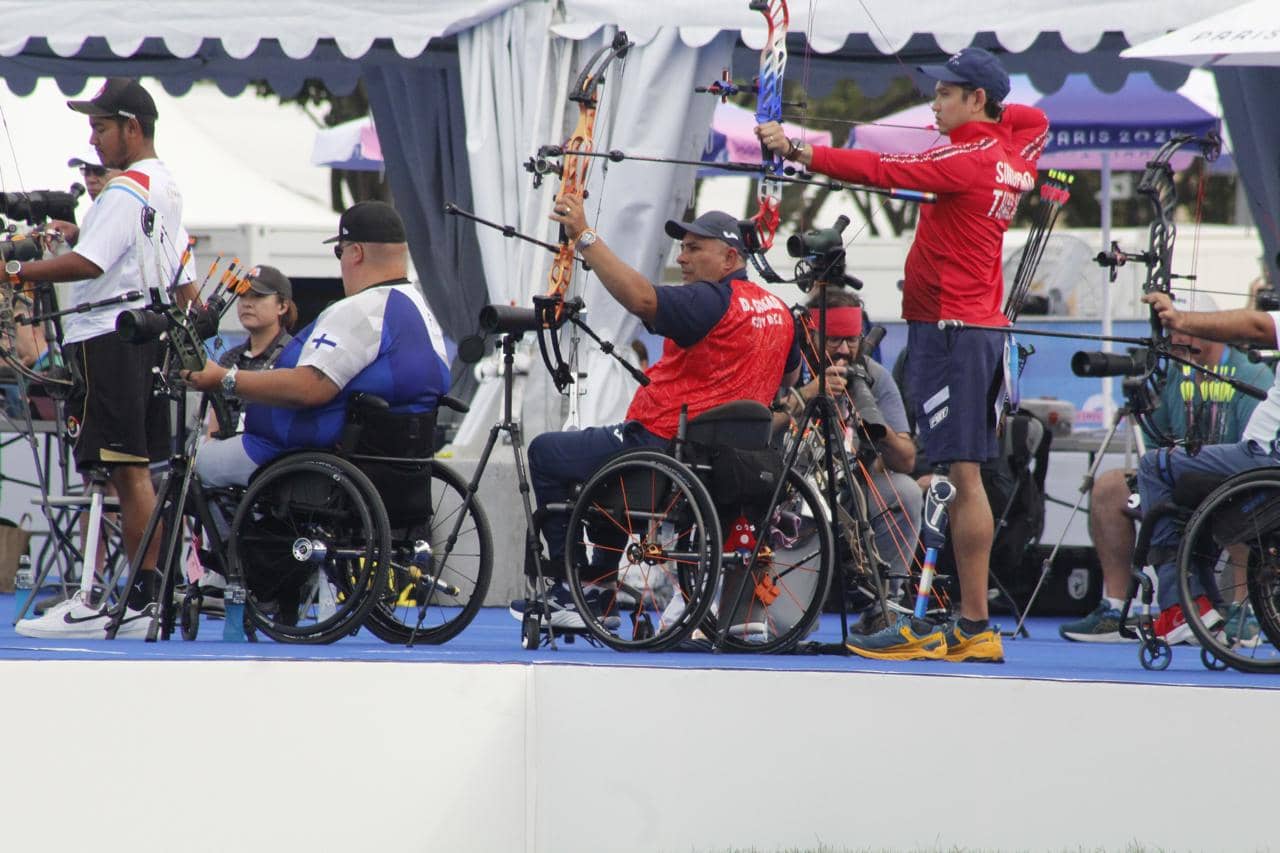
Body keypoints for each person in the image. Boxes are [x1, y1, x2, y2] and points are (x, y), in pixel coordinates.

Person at [758, 47, 1048, 662]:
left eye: (948, 93)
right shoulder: (1012, 151)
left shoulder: (969, 159)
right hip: (970, 331)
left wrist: (799, 150)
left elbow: (878, 169)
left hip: (953, 333)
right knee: (957, 474)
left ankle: (972, 626)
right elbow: (1031, 120)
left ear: (976, 101)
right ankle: (964, 623)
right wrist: (990, 107)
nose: (935, 102)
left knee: (960, 476)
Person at [510, 200, 801, 629]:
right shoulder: (780, 311)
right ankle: (599, 581)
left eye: (693, 247)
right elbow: (790, 377)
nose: (681, 257)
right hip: (729, 462)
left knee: (547, 452)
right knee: (598, 463)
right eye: (682, 247)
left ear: (730, 258)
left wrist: (586, 238)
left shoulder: (709, 299)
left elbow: (643, 300)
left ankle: (570, 591)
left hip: (661, 445)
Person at [11, 78, 196, 639]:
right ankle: (142, 597)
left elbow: (90, 264)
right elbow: (177, 267)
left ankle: (126, 602)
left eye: (100, 127)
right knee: (134, 469)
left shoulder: (125, 189)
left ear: (131, 128)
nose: (93, 141)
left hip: (109, 338)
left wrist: (15, 270)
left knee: (125, 469)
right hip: (146, 336)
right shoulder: (164, 186)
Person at [185, 201, 449, 488]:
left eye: (340, 251)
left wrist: (224, 378)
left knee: (192, 462)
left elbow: (309, 389)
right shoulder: (420, 307)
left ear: (356, 252)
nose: (341, 261)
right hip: (395, 459)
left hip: (290, 455)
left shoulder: (361, 309)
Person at [1060, 293, 1271, 642]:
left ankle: (1240, 611)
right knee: (1111, 487)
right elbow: (1154, 447)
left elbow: (1254, 455)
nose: (1177, 339)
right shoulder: (1172, 372)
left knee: (1243, 497)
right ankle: (1115, 606)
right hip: (1182, 479)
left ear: (1210, 328)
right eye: (1172, 331)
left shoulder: (1251, 375)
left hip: (1234, 483)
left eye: (1185, 329)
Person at [1133, 291, 1280, 644]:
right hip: (1260, 461)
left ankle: (1178, 606)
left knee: (1154, 467)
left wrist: (1179, 320)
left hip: (1266, 458)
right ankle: (1204, 604)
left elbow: (1257, 324)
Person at [785, 289, 922, 616]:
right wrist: (807, 393)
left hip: (851, 499)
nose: (845, 351)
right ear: (810, 335)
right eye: (833, 341)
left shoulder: (872, 374)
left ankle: (883, 605)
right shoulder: (787, 365)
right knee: (780, 627)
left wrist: (875, 424)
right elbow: (760, 422)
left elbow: (906, 459)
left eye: (852, 339)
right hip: (786, 500)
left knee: (905, 491)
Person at [210, 264, 297, 434]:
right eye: (242, 296)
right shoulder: (229, 358)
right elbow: (213, 428)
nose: (247, 304)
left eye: (257, 296)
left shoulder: (293, 354)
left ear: (282, 306)